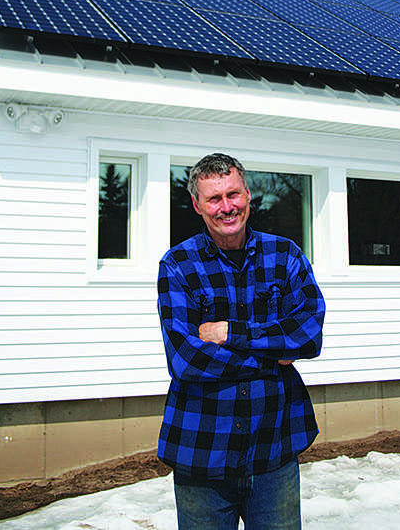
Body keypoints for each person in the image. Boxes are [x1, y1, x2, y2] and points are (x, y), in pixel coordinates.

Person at [157, 153, 325, 530]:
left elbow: (308, 334)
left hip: (275, 447)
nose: (226, 207)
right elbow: (186, 360)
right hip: (201, 450)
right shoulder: (178, 265)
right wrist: (272, 356)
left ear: (248, 194)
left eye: (233, 194)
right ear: (197, 205)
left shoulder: (286, 256)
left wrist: (230, 333)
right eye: (214, 199)